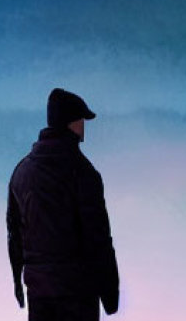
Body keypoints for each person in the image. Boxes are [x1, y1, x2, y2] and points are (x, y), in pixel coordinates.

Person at [7, 88, 120, 320]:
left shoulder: (21, 172)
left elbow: (15, 234)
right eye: (81, 119)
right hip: (77, 292)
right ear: (72, 123)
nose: (83, 126)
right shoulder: (83, 173)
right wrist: (110, 293)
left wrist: (18, 283)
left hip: (38, 291)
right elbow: (98, 238)